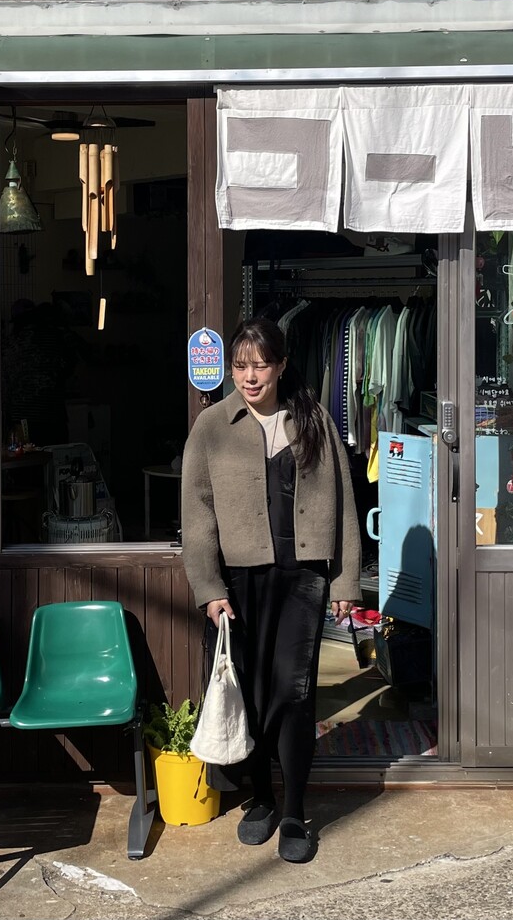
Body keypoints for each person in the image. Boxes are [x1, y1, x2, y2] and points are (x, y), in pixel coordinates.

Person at [181, 317, 361, 863]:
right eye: (240, 366)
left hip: (303, 578)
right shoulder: (212, 426)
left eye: (261, 365)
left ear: (281, 365)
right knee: (251, 692)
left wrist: (346, 579)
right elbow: (197, 513)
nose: (250, 377)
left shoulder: (313, 420)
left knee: (293, 693)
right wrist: (208, 586)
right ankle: (260, 796)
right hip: (240, 581)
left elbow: (345, 502)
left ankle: (294, 811)